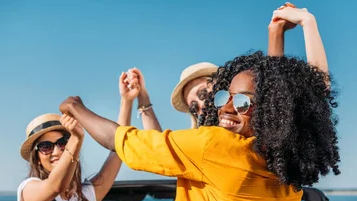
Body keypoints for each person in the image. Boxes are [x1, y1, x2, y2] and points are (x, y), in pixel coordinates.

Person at [59, 51, 341, 201]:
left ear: (272, 107)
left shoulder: (215, 146)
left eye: (241, 102)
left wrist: (75, 106)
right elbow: (162, 149)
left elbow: (126, 142)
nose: (224, 107)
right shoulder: (286, 155)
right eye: (223, 98)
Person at [124, 3, 328, 130]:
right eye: (194, 107)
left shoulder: (260, 129)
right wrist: (141, 100)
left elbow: (314, 94)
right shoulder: (199, 147)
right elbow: (158, 148)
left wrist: (306, 23)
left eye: (204, 94)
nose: (201, 106)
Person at [17, 71, 138, 201]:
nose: (56, 151)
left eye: (62, 142)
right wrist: (75, 139)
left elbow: (118, 151)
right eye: (46, 146)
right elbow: (55, 187)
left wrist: (127, 101)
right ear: (36, 157)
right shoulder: (28, 190)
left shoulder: (87, 195)